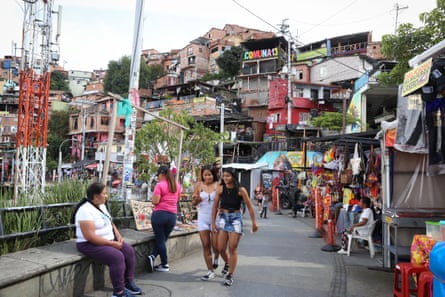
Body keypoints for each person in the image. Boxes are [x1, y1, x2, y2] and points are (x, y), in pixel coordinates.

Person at [74, 182, 141, 297]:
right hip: (89, 244)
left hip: (109, 239)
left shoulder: (101, 206)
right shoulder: (85, 211)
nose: (106, 196)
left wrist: (118, 235)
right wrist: (112, 244)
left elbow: (109, 221)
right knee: (117, 257)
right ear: (96, 196)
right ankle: (119, 292)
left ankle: (128, 282)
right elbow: (90, 236)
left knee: (128, 251)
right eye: (104, 194)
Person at [212, 167, 259, 286]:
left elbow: (249, 206)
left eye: (228, 176)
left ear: (233, 176)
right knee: (220, 248)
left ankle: (230, 275)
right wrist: (213, 223)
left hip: (236, 219)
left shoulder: (240, 190)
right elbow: (214, 206)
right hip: (223, 217)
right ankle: (228, 263)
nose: (225, 178)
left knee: (232, 248)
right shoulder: (220, 189)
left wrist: (254, 223)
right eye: (224, 176)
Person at [147, 165, 181, 273]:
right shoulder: (177, 186)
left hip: (160, 215)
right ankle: (152, 256)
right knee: (162, 239)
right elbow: (177, 200)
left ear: (162, 174)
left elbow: (155, 201)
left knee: (160, 239)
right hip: (172, 216)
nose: (158, 177)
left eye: (158, 175)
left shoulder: (159, 185)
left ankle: (165, 264)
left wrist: (153, 199)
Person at [191, 165, 220, 281]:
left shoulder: (218, 185)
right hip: (202, 218)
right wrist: (196, 199)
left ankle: (217, 257)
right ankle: (210, 271)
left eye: (210, 174)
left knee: (216, 245)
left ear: (214, 175)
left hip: (216, 219)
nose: (207, 177)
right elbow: (194, 202)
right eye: (205, 175)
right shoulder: (198, 185)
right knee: (206, 245)